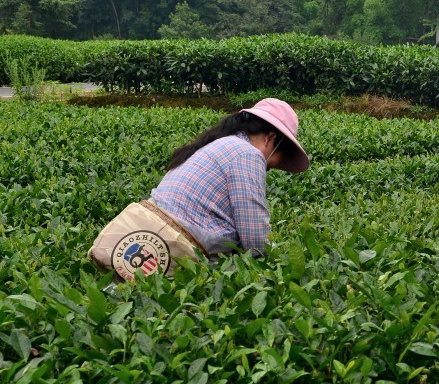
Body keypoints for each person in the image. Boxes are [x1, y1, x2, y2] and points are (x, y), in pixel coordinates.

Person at [89, 98, 310, 280]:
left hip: (137, 236)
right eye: (281, 156)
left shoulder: (217, 145)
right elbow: (255, 240)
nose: (273, 165)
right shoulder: (247, 154)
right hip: (175, 251)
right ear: (271, 138)